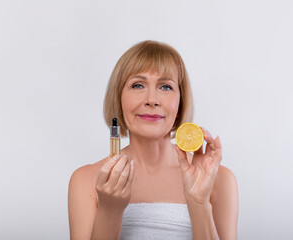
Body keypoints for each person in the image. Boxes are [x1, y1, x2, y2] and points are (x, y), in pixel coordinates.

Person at [68, 40, 238, 240]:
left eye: (165, 87)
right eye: (138, 85)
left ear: (180, 102)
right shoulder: (86, 180)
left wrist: (199, 202)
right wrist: (110, 210)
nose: (152, 99)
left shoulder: (219, 180)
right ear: (119, 98)